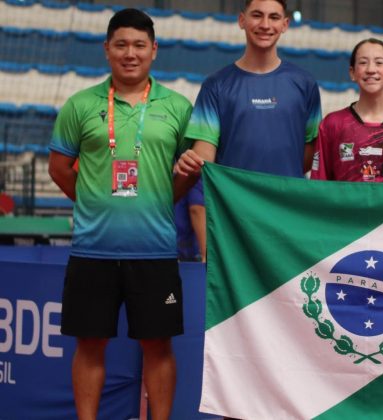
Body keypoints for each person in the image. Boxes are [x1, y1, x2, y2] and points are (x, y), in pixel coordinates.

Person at [47, 8, 192, 420]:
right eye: (122, 45)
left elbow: (188, 173)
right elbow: (59, 168)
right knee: (90, 344)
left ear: (154, 50)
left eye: (139, 45)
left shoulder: (179, 107)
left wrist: (163, 199)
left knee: (158, 345)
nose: (131, 53)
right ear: (107, 49)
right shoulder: (80, 104)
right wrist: (94, 202)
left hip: (156, 252)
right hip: (93, 250)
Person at [174, 0, 321, 184]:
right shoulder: (215, 85)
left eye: (274, 17)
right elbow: (205, 152)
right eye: (257, 15)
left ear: (285, 24)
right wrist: (193, 163)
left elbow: (311, 151)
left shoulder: (305, 84)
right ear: (242, 20)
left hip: (286, 206)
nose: (265, 25)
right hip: (233, 207)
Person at [310, 38, 383, 182]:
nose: (370, 70)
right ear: (352, 72)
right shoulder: (333, 124)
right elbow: (319, 185)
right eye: (363, 62)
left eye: (379, 62)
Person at [175, 179, 206, 262]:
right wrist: (205, 256)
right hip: (184, 256)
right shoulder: (190, 172)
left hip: (148, 250)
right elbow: (197, 210)